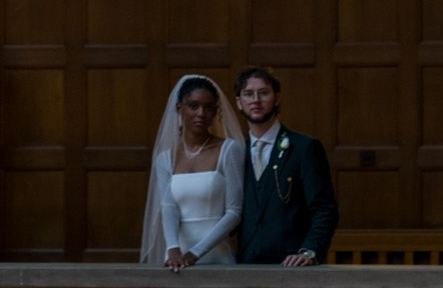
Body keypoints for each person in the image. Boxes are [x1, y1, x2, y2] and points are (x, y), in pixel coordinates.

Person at [233, 65, 337, 265]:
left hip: (293, 266)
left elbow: (324, 208)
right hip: (245, 264)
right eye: (248, 94)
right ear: (239, 102)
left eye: (263, 93)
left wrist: (309, 252)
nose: (256, 100)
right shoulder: (235, 153)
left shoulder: (304, 148)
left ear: (277, 98)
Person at [141, 74, 245, 269]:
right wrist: (173, 249)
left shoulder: (229, 150)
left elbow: (234, 212)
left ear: (215, 112)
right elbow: (168, 206)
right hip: (176, 258)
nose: (201, 113)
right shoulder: (165, 158)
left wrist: (195, 253)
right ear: (180, 108)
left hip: (216, 253)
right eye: (193, 106)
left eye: (208, 107)